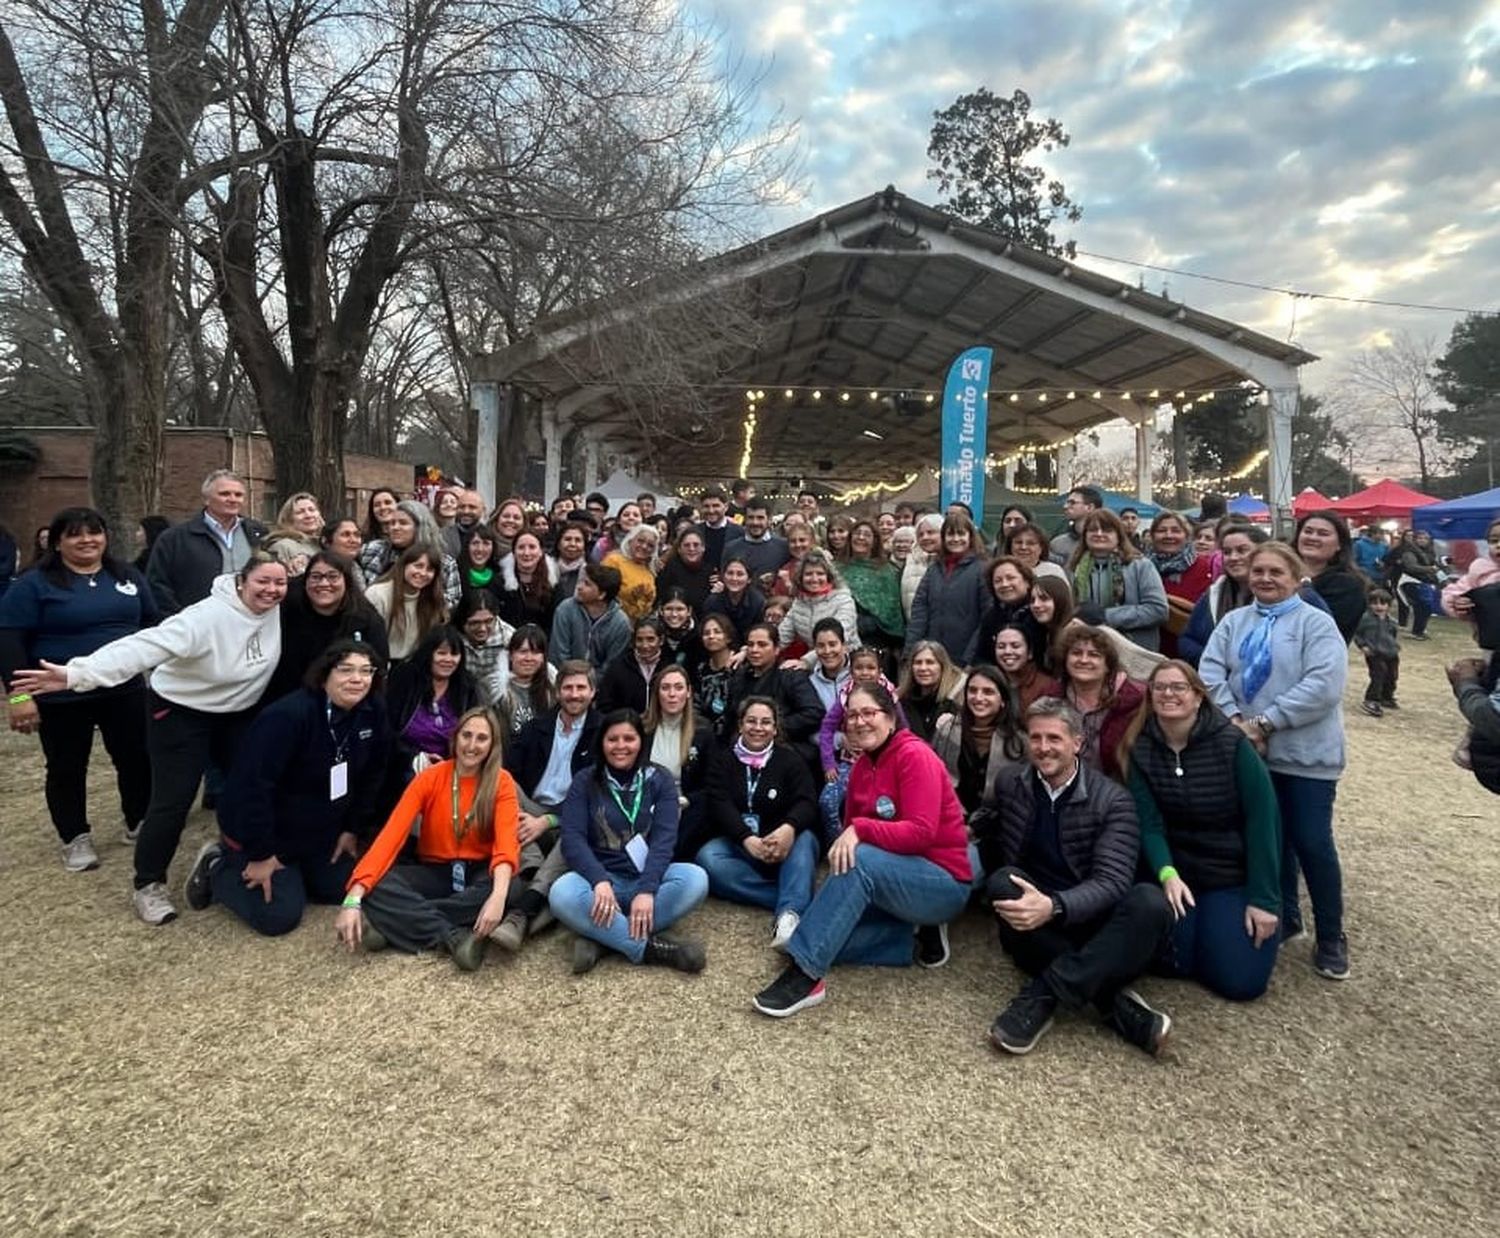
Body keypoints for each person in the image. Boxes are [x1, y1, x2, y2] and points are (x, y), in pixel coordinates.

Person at [10, 552, 289, 925]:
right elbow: (143, 646)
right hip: (181, 711)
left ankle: (231, 855)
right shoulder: (203, 618)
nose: (271, 590)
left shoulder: (278, 610)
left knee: (249, 786)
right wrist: (78, 673)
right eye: (262, 582)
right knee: (173, 800)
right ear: (241, 581)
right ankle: (149, 883)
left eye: (279, 583)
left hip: (236, 712)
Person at [751, 683, 972, 1017]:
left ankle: (807, 976)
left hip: (940, 881)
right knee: (826, 930)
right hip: (892, 880)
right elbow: (851, 843)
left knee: (857, 867)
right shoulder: (861, 768)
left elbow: (921, 833)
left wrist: (861, 830)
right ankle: (904, 942)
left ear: (891, 718)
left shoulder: (915, 755)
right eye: (851, 715)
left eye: (869, 713)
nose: (858, 722)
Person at [976, 698, 1174, 1056]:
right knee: (1002, 882)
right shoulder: (1011, 783)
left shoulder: (1113, 800)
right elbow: (989, 825)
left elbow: (1113, 882)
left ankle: (1043, 995)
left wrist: (1053, 906)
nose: (1043, 748)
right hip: (1036, 920)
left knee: (1149, 903)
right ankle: (1112, 1003)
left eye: (1054, 738)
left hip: (1092, 918)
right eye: (1036, 738)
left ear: (1077, 743)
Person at [1200, 541, 1350, 980]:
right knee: (1270, 838)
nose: (1265, 578)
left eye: (1275, 572)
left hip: (1304, 756)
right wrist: (1233, 720)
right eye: (1258, 571)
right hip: (1247, 752)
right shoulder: (1234, 621)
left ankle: (1331, 934)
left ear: (1296, 577)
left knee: (1311, 841)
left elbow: (1323, 685)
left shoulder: (1316, 624)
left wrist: (1264, 723)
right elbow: (1209, 672)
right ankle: (1286, 915)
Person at [185, 641, 392, 935]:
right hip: (270, 833)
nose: (357, 679)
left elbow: (374, 774)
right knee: (278, 916)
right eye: (345, 670)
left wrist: (352, 829)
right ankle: (217, 865)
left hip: (319, 831)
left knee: (345, 886)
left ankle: (297, 876)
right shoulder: (288, 716)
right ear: (324, 674)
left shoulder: (373, 709)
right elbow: (251, 788)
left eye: (366, 671)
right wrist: (259, 853)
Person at [0, 507, 156, 871]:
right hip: (60, 692)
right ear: (57, 542)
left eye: (94, 532)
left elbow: (152, 623)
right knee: (67, 765)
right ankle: (74, 837)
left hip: (123, 687)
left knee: (136, 758)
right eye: (75, 534)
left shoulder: (127, 576)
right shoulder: (35, 583)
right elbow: (7, 638)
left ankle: (138, 821)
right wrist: (20, 696)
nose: (87, 540)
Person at [1122, 662, 1281, 1001]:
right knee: (1170, 963)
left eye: (1178, 687)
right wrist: (1166, 873)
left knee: (1239, 982)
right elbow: (1148, 823)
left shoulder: (1232, 745)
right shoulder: (1141, 747)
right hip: (1177, 872)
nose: (1168, 694)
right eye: (1160, 687)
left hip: (1229, 874)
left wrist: (1264, 899)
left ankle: (1219, 931)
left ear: (1198, 697)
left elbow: (1262, 821)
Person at [335, 707, 519, 970]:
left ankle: (392, 922)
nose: (472, 745)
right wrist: (353, 899)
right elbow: (391, 836)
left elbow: (505, 847)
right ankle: (452, 937)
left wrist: (498, 897)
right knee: (375, 885)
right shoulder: (430, 777)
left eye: (482, 738)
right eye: (466, 735)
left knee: (510, 887)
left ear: (492, 745)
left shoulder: (502, 782)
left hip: (480, 872)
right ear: (455, 738)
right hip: (436, 871)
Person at [547, 710, 710, 973]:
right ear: (602, 742)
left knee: (696, 879)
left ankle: (603, 938)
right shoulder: (585, 781)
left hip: (646, 880)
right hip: (600, 884)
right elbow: (573, 839)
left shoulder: (660, 779)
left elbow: (664, 840)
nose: (620, 746)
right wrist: (599, 880)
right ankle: (649, 948)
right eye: (612, 739)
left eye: (629, 738)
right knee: (561, 893)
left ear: (640, 742)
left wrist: (646, 889)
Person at [695, 697, 819, 946]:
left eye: (766, 722)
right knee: (708, 858)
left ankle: (788, 918)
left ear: (775, 728)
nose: (758, 728)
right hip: (743, 844)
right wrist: (745, 838)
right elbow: (719, 803)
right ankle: (793, 901)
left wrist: (788, 828)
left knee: (805, 839)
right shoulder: (723, 759)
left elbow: (807, 802)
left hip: (783, 842)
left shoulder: (790, 760)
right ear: (740, 725)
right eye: (751, 721)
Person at [263, 550, 389, 701]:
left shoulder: (366, 620)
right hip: (285, 699)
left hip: (341, 702)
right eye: (315, 577)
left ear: (346, 581)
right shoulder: (286, 607)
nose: (324, 584)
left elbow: (378, 669)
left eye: (333, 577)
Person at [147, 469, 267, 614]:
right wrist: (182, 619)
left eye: (238, 495)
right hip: (196, 624)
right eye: (224, 494)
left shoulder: (258, 534)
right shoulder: (175, 538)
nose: (232, 499)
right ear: (206, 499)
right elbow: (157, 584)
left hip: (249, 620)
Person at [815, 646, 903, 840]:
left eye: (870, 668)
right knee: (827, 802)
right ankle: (837, 847)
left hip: (886, 764)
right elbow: (827, 729)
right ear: (851, 671)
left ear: (880, 671)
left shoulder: (890, 695)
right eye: (859, 668)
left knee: (886, 808)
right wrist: (829, 763)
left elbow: (903, 728)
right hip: (851, 762)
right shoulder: (846, 694)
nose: (865, 672)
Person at [931, 662, 1026, 825]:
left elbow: (1019, 799)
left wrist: (977, 827)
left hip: (997, 827)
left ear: (1003, 700)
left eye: (988, 692)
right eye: (973, 691)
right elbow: (933, 778)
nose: (978, 698)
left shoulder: (1018, 742)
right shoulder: (947, 729)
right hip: (948, 819)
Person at [386, 625, 483, 786]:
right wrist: (416, 758)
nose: (448, 659)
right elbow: (387, 730)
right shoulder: (406, 678)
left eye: (454, 654)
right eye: (441, 653)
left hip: (454, 766)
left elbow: (475, 730)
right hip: (405, 765)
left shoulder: (467, 686)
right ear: (428, 654)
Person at [642, 664, 718, 860]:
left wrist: (681, 802)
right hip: (644, 806)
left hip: (685, 809)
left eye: (678, 687)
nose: (672, 694)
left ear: (689, 692)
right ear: (657, 693)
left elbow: (710, 785)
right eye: (665, 688)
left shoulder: (703, 732)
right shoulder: (641, 728)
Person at [725, 623, 825, 771]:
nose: (755, 650)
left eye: (762, 645)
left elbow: (814, 712)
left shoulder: (791, 676)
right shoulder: (740, 677)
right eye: (751, 645)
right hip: (742, 751)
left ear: (776, 649)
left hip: (785, 750)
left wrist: (772, 728)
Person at [1068, 509, 1170, 650]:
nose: (1099, 534)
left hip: (1132, 649)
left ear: (1118, 535)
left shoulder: (1141, 566)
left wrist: (1105, 616)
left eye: (1107, 530)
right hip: (1085, 649)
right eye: (1092, 530)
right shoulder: (1073, 569)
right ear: (1085, 535)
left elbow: (1158, 610)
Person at [1054, 624, 1145, 780]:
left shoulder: (1133, 702)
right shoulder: (1053, 697)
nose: (1084, 660)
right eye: (1076, 653)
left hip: (1116, 785)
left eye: (1094, 655)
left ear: (1108, 665)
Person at [905, 513, 991, 667]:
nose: (956, 539)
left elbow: (987, 618)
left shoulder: (983, 569)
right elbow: (919, 613)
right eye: (950, 534)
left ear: (971, 536)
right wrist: (910, 652)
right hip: (933, 657)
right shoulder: (934, 570)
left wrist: (971, 657)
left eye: (961, 533)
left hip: (967, 658)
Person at [358, 499, 462, 610]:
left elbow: (452, 600)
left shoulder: (444, 562)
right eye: (392, 523)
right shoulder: (373, 551)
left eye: (403, 523)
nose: (395, 528)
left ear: (420, 526)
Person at [364, 544, 447, 662]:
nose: (423, 573)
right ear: (404, 565)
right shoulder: (378, 594)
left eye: (430, 569)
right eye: (418, 566)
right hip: (378, 662)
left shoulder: (432, 600)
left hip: (411, 665)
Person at [1294, 511, 1367, 642]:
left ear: (1339, 544)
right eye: (1308, 531)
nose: (1313, 537)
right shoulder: (1279, 575)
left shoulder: (1348, 585)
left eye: (1323, 534)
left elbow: (1323, 628)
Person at [1147, 511, 1214, 654]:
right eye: (1161, 530)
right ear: (1152, 536)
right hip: (1148, 648)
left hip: (1187, 651)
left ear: (1187, 536)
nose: (1168, 535)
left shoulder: (1204, 568)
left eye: (1176, 530)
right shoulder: (1141, 566)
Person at [549, 560, 632, 671]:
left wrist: (590, 682)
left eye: (587, 584)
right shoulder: (565, 609)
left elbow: (612, 666)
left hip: (599, 684)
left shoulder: (620, 623)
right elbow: (558, 654)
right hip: (564, 678)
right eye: (581, 581)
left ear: (602, 595)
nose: (579, 587)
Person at [778, 550, 860, 655]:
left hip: (847, 659)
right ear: (800, 578)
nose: (814, 579)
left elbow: (838, 639)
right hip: (818, 659)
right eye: (808, 574)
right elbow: (783, 636)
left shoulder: (844, 600)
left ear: (829, 577)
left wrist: (806, 662)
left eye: (820, 574)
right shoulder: (799, 602)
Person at [842, 519, 905, 653]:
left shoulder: (886, 570)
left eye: (867, 535)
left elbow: (891, 610)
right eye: (857, 533)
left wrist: (867, 624)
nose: (861, 537)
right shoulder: (837, 568)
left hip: (876, 639)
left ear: (875, 541)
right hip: (843, 636)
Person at [975, 556, 1041, 667]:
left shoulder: (1039, 612)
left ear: (1027, 582)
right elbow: (981, 657)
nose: (1004, 584)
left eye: (1010, 578)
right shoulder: (991, 617)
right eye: (998, 581)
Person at [453, 590, 516, 706]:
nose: (482, 629)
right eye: (474, 623)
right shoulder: (451, 638)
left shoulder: (509, 638)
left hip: (496, 702)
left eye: (488, 621)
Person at [896, 639, 963, 743]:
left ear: (942, 666)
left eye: (930, 662)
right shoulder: (901, 702)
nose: (923, 668)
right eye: (918, 662)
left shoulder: (955, 702)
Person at [596, 616, 665, 715]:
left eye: (650, 639)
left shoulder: (668, 667)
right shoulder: (617, 668)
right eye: (639, 640)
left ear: (661, 640)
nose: (645, 645)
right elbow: (604, 704)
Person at [495, 530, 558, 631]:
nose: (526, 553)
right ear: (513, 552)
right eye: (521, 547)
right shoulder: (500, 583)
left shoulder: (553, 583)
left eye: (532, 547)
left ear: (541, 552)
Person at [993, 624, 1062, 713]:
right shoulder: (991, 682)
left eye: (1015, 646)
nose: (1007, 652)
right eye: (1001, 647)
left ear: (1030, 653)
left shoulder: (1048, 687)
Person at [1354, 589, 1401, 716]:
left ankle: (1387, 696)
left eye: (1382, 603)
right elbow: (1357, 634)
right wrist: (1363, 646)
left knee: (1392, 676)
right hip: (1374, 652)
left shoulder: (1391, 622)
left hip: (1391, 653)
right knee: (1378, 675)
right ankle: (1372, 699)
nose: (1379, 606)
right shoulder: (1365, 619)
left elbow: (1393, 635)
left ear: (1388, 606)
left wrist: (1394, 647)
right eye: (1375, 603)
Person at [1388, 528, 1440, 640]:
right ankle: (1417, 631)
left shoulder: (1429, 552)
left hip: (1425, 581)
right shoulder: (1409, 551)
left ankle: (1419, 630)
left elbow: (1436, 565)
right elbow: (1411, 567)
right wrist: (1430, 569)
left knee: (1426, 607)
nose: (1422, 540)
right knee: (1423, 605)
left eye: (1425, 538)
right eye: (1419, 538)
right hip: (1411, 581)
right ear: (1415, 540)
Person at [693, 613, 738, 739]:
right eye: (706, 633)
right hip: (705, 733)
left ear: (728, 637)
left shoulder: (739, 666)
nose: (711, 636)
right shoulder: (701, 669)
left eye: (717, 632)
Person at [603, 524, 659, 621]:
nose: (644, 546)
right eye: (640, 541)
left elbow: (646, 607)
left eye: (650, 545)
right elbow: (602, 593)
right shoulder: (614, 561)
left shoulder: (649, 573)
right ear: (630, 541)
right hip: (609, 620)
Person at [655, 528, 715, 615]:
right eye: (687, 545)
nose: (691, 549)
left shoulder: (711, 572)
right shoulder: (668, 570)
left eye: (696, 545)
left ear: (703, 548)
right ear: (679, 549)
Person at [260, 492, 324, 574]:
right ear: (288, 519)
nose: (308, 515)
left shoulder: (325, 544)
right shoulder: (283, 546)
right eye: (300, 512)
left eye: (312, 510)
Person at [704, 553, 765, 636]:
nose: (734, 578)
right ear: (723, 576)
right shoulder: (712, 602)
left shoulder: (758, 603)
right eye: (730, 573)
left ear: (749, 579)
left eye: (740, 574)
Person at [737, 499, 789, 591]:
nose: (755, 522)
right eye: (751, 517)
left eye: (760, 518)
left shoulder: (784, 547)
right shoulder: (732, 548)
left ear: (769, 519)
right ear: (745, 519)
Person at [901, 513, 943, 619]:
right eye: (920, 534)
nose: (925, 537)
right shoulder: (910, 560)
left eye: (930, 532)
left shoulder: (951, 563)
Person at [694, 485, 745, 570]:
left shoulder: (739, 532)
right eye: (706, 506)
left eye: (715, 506)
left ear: (726, 507)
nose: (711, 510)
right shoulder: (694, 531)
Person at [1049, 486, 1103, 562]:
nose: (1065, 506)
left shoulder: (1107, 541)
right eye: (1066, 503)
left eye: (1072, 503)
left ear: (1090, 507)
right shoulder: (1057, 544)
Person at [1003, 522, 1068, 583]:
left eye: (1031, 543)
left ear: (1041, 548)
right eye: (1018, 542)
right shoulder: (1001, 571)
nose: (1023, 547)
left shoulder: (1054, 571)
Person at [456, 523, 501, 597]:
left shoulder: (500, 580)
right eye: (475, 543)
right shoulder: (455, 575)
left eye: (486, 543)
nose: (480, 549)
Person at [552, 523, 590, 601]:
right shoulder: (547, 567)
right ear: (558, 544)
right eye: (568, 539)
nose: (572, 544)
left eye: (578, 540)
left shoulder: (590, 573)